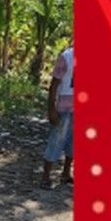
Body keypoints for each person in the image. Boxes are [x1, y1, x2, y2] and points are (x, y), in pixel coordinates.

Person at [41, 44, 75, 187]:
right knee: (56, 140)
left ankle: (66, 173)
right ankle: (46, 176)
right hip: (64, 107)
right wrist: (51, 109)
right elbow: (54, 85)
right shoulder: (66, 57)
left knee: (73, 143)